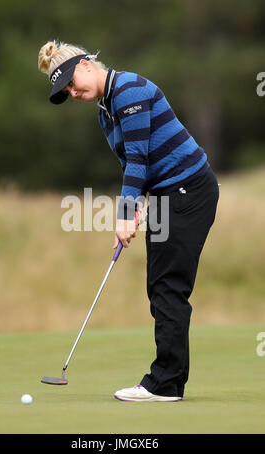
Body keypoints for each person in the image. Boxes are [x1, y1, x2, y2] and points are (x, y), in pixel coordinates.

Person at [38, 41, 220, 402]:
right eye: (67, 92)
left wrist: (122, 216)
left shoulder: (129, 90)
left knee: (168, 287)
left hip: (188, 191)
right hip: (168, 194)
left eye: (72, 83)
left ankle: (165, 384)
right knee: (160, 287)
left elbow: (139, 157)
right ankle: (170, 380)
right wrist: (135, 209)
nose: (74, 93)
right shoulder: (106, 111)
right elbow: (132, 163)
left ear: (86, 65)